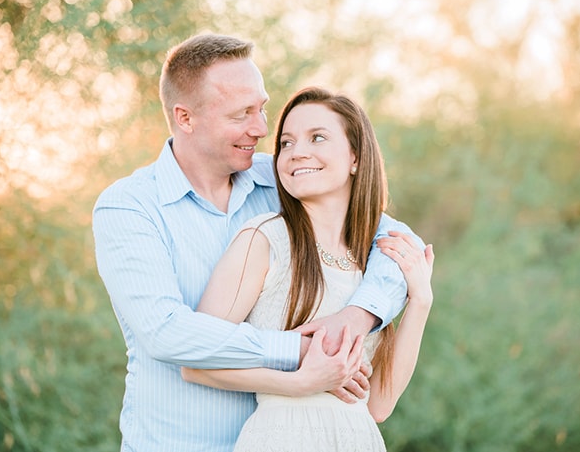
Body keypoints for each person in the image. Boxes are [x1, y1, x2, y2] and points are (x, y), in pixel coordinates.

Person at [92, 33, 418, 452]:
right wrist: (299, 352)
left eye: (261, 108)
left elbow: (396, 238)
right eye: (242, 114)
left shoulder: (280, 179)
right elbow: (166, 333)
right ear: (185, 118)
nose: (262, 129)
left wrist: (359, 315)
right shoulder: (130, 207)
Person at [181, 87, 434, 451]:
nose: (297, 152)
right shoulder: (264, 239)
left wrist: (420, 301)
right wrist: (302, 382)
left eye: (318, 137)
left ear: (355, 158)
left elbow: (378, 404)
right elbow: (195, 363)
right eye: (286, 142)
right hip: (282, 436)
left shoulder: (373, 264)